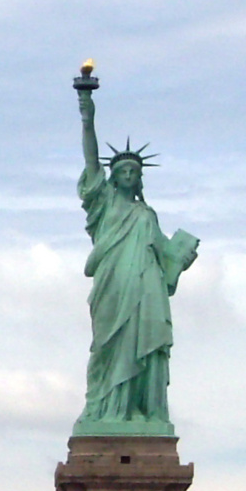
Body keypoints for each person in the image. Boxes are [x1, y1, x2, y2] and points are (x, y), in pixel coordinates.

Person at [74, 82, 199, 432]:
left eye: (135, 172)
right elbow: (89, 155)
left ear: (140, 179)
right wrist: (87, 113)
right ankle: (106, 409)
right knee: (108, 347)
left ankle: (138, 410)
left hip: (146, 288)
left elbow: (167, 256)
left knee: (142, 345)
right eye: (123, 171)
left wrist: (182, 255)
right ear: (112, 177)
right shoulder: (104, 203)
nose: (129, 175)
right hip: (113, 285)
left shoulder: (148, 215)